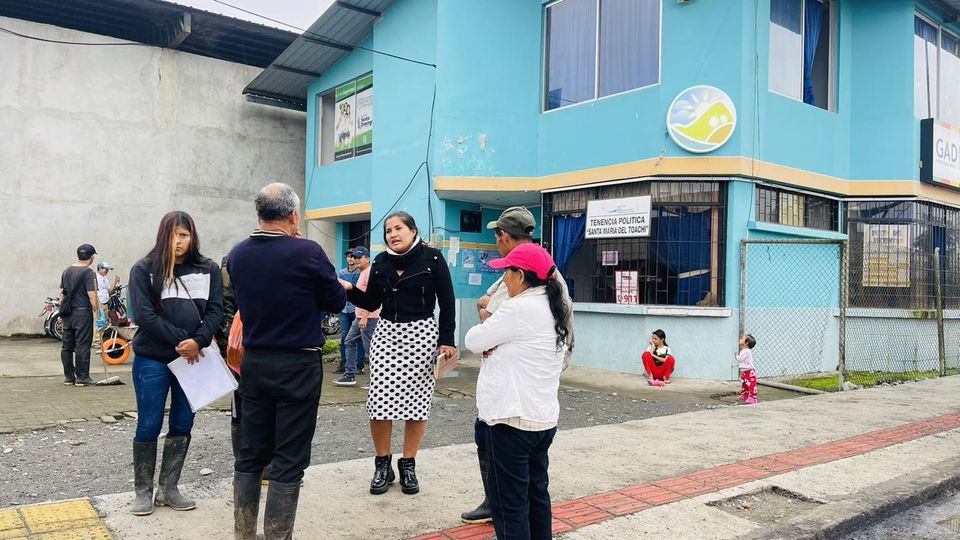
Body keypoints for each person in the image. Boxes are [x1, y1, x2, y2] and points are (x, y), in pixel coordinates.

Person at [229, 183, 345, 540]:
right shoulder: (308, 252)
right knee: (289, 457)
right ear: (294, 215)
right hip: (298, 363)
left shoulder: (238, 254)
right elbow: (336, 301)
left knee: (250, 453)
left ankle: (243, 534)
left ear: (259, 214)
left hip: (254, 363)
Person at [461, 206, 575, 525]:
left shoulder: (522, 298)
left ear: (504, 236)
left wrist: (491, 320)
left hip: (513, 410)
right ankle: (495, 500)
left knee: (511, 502)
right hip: (540, 407)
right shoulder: (546, 283)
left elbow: (482, 328)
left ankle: (494, 502)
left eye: (497, 237)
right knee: (536, 492)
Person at [339, 211, 457, 496]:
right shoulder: (381, 261)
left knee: (417, 403)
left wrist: (447, 340)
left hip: (422, 335)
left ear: (413, 230)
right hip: (387, 335)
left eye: (398, 228)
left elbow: (447, 301)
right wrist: (349, 289)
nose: (393, 234)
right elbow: (371, 301)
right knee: (379, 402)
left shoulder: (433, 258)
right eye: (388, 230)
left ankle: (408, 464)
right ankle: (383, 464)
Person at [127, 211, 224, 516]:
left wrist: (200, 341)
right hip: (152, 359)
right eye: (173, 235)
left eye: (184, 235)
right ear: (163, 236)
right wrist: (185, 342)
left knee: (183, 423)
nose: (179, 241)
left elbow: (216, 311)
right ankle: (142, 491)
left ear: (192, 237)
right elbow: (144, 315)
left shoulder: (208, 269)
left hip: (193, 360)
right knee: (149, 423)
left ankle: (169, 488)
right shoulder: (144, 269)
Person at [334, 246, 379, 387]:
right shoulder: (362, 272)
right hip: (359, 316)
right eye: (354, 257)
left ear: (367, 258)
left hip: (369, 317)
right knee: (349, 341)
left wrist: (365, 316)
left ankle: (376, 380)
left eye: (359, 257)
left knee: (370, 348)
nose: (356, 259)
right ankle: (349, 375)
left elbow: (371, 298)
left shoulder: (370, 273)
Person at [59, 243, 99, 387]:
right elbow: (92, 296)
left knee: (67, 346)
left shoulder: (66, 271)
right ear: (92, 257)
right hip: (82, 313)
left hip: (67, 313)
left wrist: (61, 313)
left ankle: (69, 377)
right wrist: (99, 312)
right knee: (82, 345)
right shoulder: (89, 273)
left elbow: (62, 294)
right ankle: (82, 378)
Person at [334, 251, 363, 374]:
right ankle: (344, 363)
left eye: (353, 257)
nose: (350, 259)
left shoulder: (360, 272)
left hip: (357, 308)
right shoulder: (342, 272)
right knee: (344, 336)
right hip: (344, 308)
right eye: (348, 257)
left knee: (358, 336)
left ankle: (359, 364)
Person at [96, 261, 120, 327]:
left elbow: (109, 292)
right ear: (100, 268)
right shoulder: (95, 277)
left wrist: (115, 283)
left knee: (105, 324)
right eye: (106, 269)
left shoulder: (105, 278)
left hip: (106, 304)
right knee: (99, 324)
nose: (107, 271)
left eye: (108, 270)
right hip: (99, 305)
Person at [737, 334, 758, 405]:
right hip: (744, 371)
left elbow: (740, 359)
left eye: (742, 338)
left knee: (751, 385)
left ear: (746, 343)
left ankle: (753, 398)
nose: (740, 339)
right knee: (744, 384)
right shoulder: (744, 350)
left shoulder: (746, 351)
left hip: (749, 371)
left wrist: (737, 356)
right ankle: (745, 395)